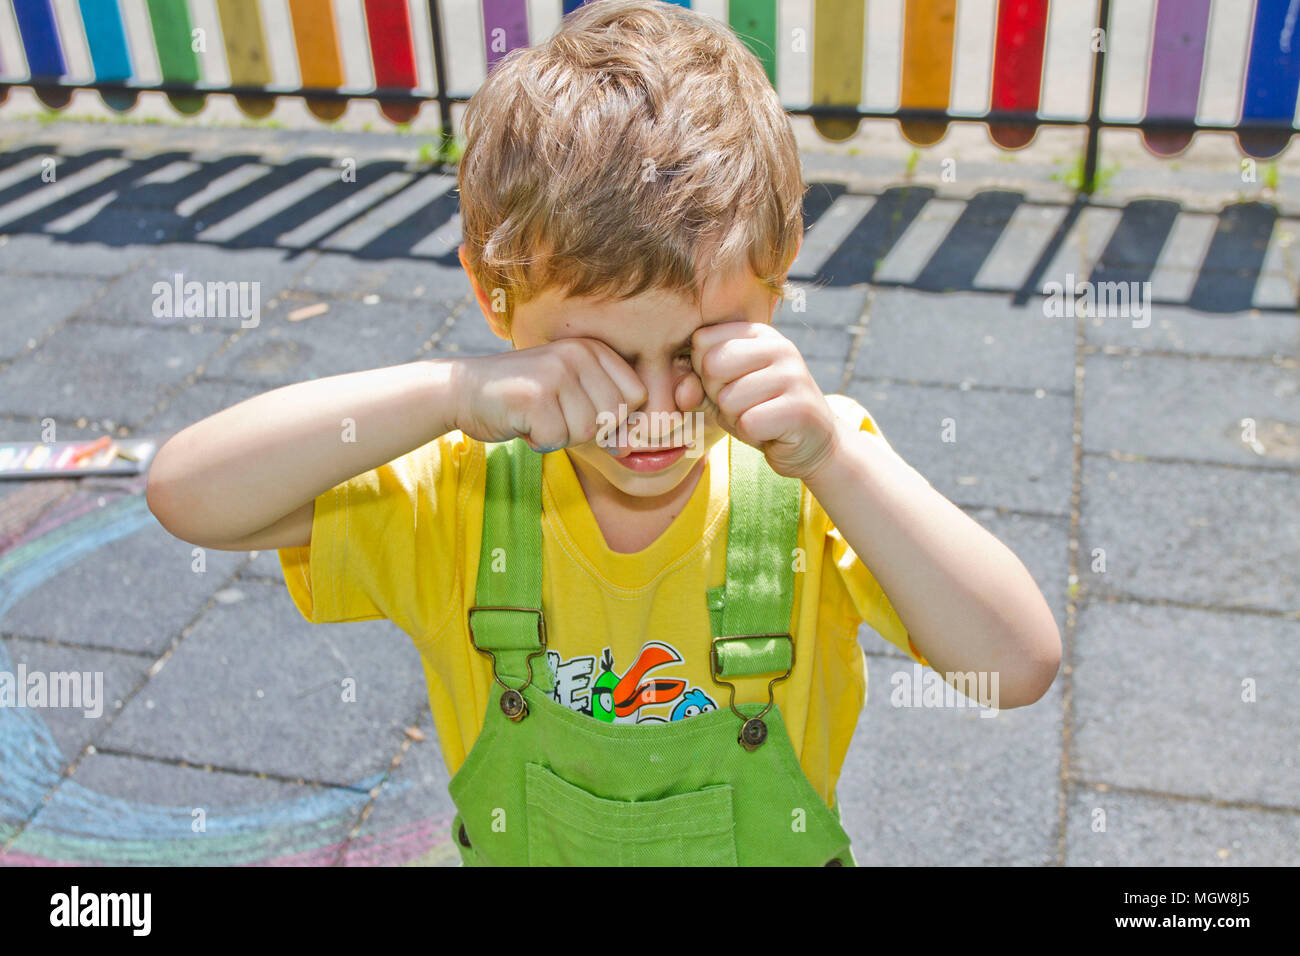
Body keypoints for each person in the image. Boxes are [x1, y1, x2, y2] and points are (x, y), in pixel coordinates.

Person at [146, 0, 1060, 866]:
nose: (656, 405)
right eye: (599, 355)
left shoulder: (816, 471)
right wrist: (449, 391)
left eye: (700, 350)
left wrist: (835, 457)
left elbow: (1016, 666)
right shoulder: (461, 487)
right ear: (493, 298)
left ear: (776, 284)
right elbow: (187, 493)